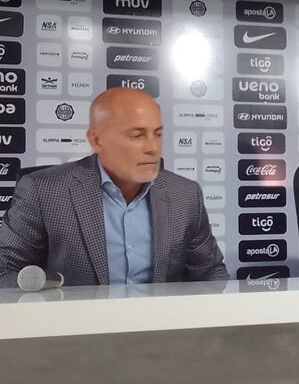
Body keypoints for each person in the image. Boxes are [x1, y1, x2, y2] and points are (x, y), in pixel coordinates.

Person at [0, 88, 227, 287]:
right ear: (97, 140)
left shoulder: (185, 195)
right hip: (75, 331)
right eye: (137, 135)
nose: (152, 148)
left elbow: (210, 274)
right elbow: (5, 272)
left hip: (161, 331)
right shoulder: (43, 191)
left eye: (157, 134)